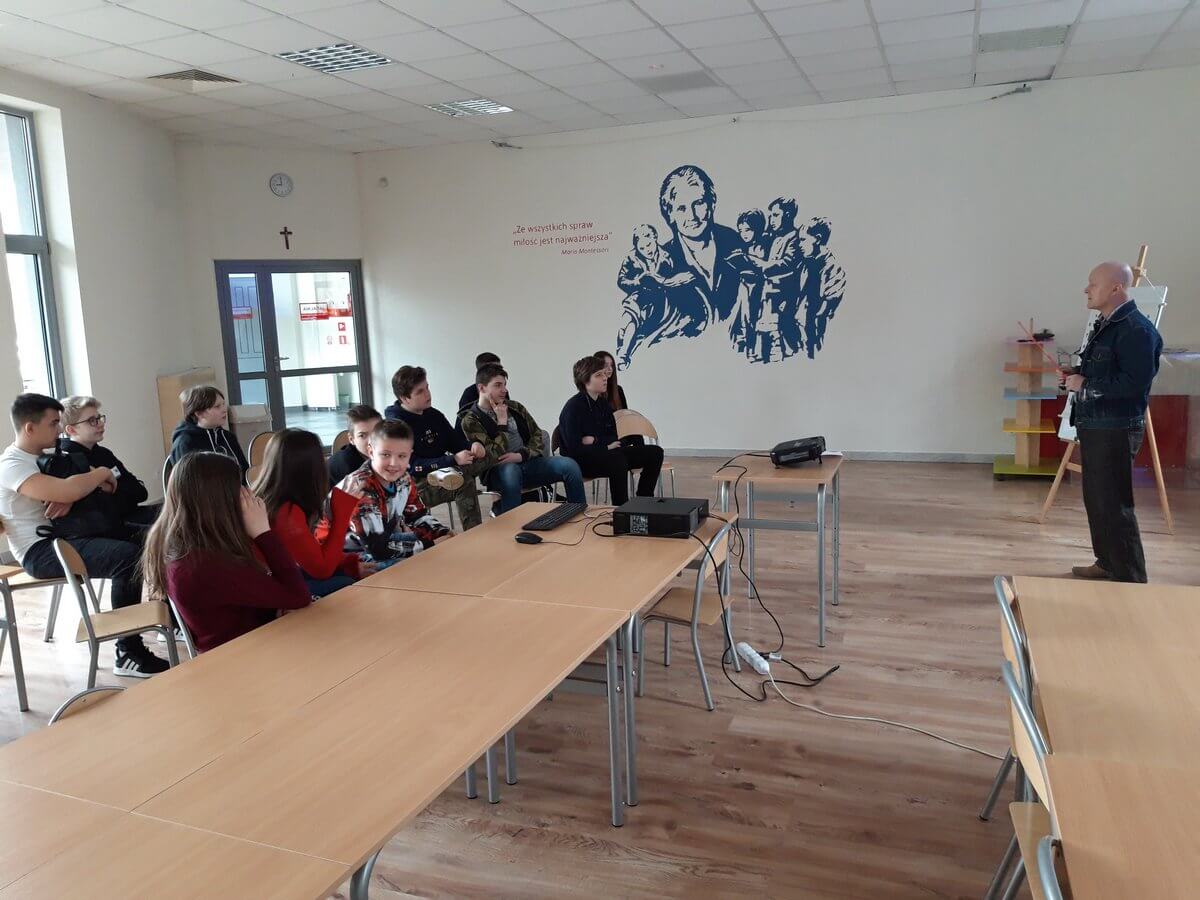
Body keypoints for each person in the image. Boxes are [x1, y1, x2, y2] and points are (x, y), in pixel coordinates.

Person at [0, 394, 168, 676]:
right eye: (53, 423)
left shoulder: (50, 455)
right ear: (30, 428)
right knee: (127, 558)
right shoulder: (12, 464)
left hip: (70, 534)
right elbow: (72, 488)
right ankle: (127, 651)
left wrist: (77, 490)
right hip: (40, 550)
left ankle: (172, 617)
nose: (59, 429)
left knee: (155, 539)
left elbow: (81, 486)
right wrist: (96, 475)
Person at [141, 452, 310, 654]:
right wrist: (263, 533)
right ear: (221, 501)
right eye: (239, 487)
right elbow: (299, 595)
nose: (247, 493)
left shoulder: (183, 544)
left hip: (238, 643)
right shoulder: (207, 566)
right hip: (243, 654)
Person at [1068, 261, 1163, 584]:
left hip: (1115, 427)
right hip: (1097, 424)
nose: (1086, 289)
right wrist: (1076, 376)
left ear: (1116, 288)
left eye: (1093, 284)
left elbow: (1134, 384)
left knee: (1114, 503)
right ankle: (1107, 563)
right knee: (1098, 500)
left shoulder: (1136, 330)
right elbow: (1105, 371)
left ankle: (1129, 578)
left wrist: (1085, 384)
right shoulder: (1107, 324)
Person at [254, 428, 367, 598]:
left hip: (274, 577)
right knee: (346, 584)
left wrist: (347, 563)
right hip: (269, 588)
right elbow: (322, 570)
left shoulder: (271, 498)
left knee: (347, 574)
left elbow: (310, 556)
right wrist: (342, 512)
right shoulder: (287, 512)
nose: (326, 460)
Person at [461, 363, 586, 515]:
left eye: (505, 385)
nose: (504, 390)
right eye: (498, 385)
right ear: (482, 388)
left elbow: (537, 434)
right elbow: (491, 454)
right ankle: (511, 523)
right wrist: (502, 424)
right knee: (511, 471)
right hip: (498, 471)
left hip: (527, 463)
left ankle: (578, 515)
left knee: (569, 465)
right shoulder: (470, 420)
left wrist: (522, 455)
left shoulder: (515, 408)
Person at [336, 419, 450, 568]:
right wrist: (430, 544)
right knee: (418, 567)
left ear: (410, 455)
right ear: (371, 451)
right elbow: (378, 550)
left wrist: (441, 532)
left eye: (402, 456)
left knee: (446, 547)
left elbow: (417, 515)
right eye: (385, 455)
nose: (394, 463)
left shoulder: (403, 478)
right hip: (343, 556)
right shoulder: (360, 489)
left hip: (378, 542)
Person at [384, 366, 486, 530]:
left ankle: (500, 514)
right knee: (463, 482)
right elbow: (412, 466)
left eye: (427, 388)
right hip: (414, 486)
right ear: (405, 398)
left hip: (442, 472)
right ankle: (475, 534)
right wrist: (452, 459)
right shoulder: (396, 427)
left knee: (487, 456)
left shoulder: (433, 415)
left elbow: (454, 442)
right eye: (420, 391)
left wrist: (472, 446)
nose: (428, 394)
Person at [558, 356, 663, 506]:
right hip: (581, 462)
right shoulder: (573, 408)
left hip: (606, 453)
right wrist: (605, 446)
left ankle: (643, 500)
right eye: (598, 375)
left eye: (604, 374)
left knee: (655, 453)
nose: (605, 378)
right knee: (617, 460)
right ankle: (622, 508)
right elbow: (575, 449)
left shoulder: (603, 404)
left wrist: (595, 440)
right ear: (585, 380)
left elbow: (614, 437)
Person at [59, 395, 157, 532]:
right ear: (71, 430)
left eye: (99, 418)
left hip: (131, 514)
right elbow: (102, 510)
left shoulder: (103, 453)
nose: (100, 423)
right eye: (92, 421)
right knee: (167, 531)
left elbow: (140, 492)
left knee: (178, 512)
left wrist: (110, 489)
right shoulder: (68, 460)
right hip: (109, 527)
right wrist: (121, 492)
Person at [169, 385, 249, 480]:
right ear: (199, 413)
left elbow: (245, 472)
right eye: (217, 406)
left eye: (223, 404)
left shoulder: (228, 437)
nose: (224, 410)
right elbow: (188, 482)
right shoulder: (185, 442)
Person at [799, 217, 846, 357]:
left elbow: (828, 305)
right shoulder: (807, 264)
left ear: (818, 239)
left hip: (818, 326)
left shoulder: (833, 268)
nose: (799, 245)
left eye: (803, 240)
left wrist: (817, 316)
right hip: (805, 323)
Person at [329, 404, 380, 485]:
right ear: (351, 439)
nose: (371, 441)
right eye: (362, 435)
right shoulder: (350, 467)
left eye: (376, 433)